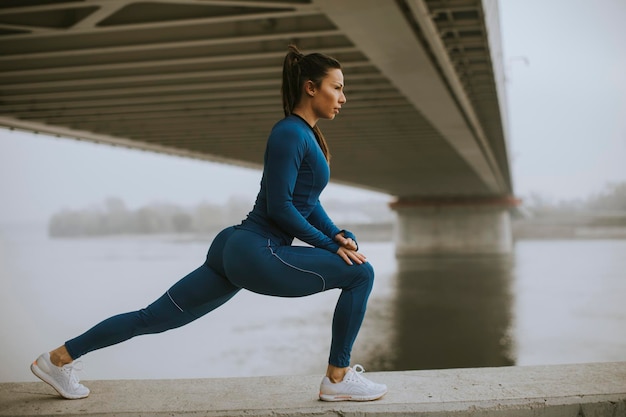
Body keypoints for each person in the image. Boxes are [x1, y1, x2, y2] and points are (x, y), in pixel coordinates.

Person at [30, 44, 388, 402]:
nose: (343, 97)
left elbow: (305, 202)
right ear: (311, 87)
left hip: (236, 247)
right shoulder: (290, 133)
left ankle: (57, 359)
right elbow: (280, 208)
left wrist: (336, 234)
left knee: (151, 318)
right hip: (257, 251)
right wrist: (329, 246)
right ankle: (337, 380)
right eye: (337, 87)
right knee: (361, 274)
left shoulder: (303, 134)